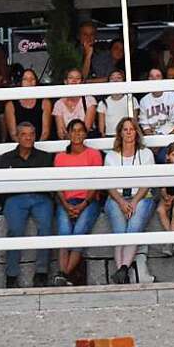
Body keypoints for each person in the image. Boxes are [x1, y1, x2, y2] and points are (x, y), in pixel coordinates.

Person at [0, 122, 55, 289]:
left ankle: (41, 272)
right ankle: (11, 275)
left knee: (46, 227)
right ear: (17, 136)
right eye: (24, 134)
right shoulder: (5, 158)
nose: (28, 137)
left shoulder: (45, 157)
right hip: (15, 198)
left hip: (40, 197)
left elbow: (49, 184)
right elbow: (1, 186)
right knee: (15, 230)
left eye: (31, 134)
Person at [103, 116, 156, 285]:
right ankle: (123, 272)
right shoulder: (111, 156)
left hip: (140, 197)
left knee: (133, 227)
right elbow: (108, 184)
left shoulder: (145, 154)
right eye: (125, 129)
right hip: (116, 197)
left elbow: (148, 183)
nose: (128, 132)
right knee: (120, 231)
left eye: (131, 129)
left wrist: (133, 202)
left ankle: (122, 270)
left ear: (136, 132)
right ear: (120, 133)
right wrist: (120, 201)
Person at [53, 119, 103, 286]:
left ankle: (63, 274)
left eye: (81, 130)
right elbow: (57, 186)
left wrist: (83, 205)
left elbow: (96, 184)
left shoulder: (94, 154)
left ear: (85, 133)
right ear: (67, 133)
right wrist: (66, 205)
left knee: (79, 231)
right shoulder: (60, 157)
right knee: (64, 231)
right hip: (65, 201)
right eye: (73, 130)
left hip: (88, 201)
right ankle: (65, 275)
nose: (77, 134)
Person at [137, 67, 174, 142]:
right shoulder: (144, 101)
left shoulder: (173, 96)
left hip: (173, 140)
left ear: (163, 79)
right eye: (151, 76)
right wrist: (155, 143)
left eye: (158, 76)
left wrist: (165, 141)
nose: (154, 79)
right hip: (153, 142)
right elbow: (145, 127)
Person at [4, 68, 53, 142]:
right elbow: (13, 134)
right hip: (18, 147)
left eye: (32, 79)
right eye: (25, 79)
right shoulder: (10, 105)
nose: (29, 82)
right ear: (20, 82)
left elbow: (45, 133)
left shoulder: (45, 102)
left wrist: (36, 150)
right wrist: (24, 147)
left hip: (39, 145)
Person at [52, 68, 97, 139]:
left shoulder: (89, 100)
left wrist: (72, 137)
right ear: (65, 81)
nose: (74, 81)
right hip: (67, 144)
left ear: (82, 82)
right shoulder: (59, 104)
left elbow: (86, 128)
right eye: (70, 78)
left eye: (78, 78)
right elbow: (61, 132)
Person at [97, 69, 135, 137]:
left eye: (119, 78)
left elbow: (134, 123)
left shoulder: (131, 100)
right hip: (109, 136)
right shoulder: (103, 103)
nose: (115, 80)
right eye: (112, 78)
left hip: (127, 135)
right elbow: (101, 130)